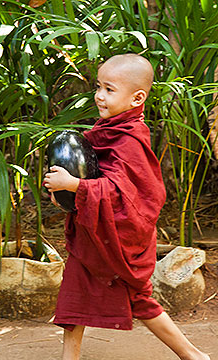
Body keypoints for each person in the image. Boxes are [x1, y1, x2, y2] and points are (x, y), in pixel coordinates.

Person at [44, 54, 210, 360]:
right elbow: (94, 174)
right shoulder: (106, 129)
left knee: (139, 301)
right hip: (92, 234)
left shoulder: (130, 140)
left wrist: (76, 186)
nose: (99, 95)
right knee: (74, 299)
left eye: (109, 89)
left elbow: (128, 196)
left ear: (137, 98)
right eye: (98, 87)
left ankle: (193, 355)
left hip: (117, 241)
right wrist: (66, 195)